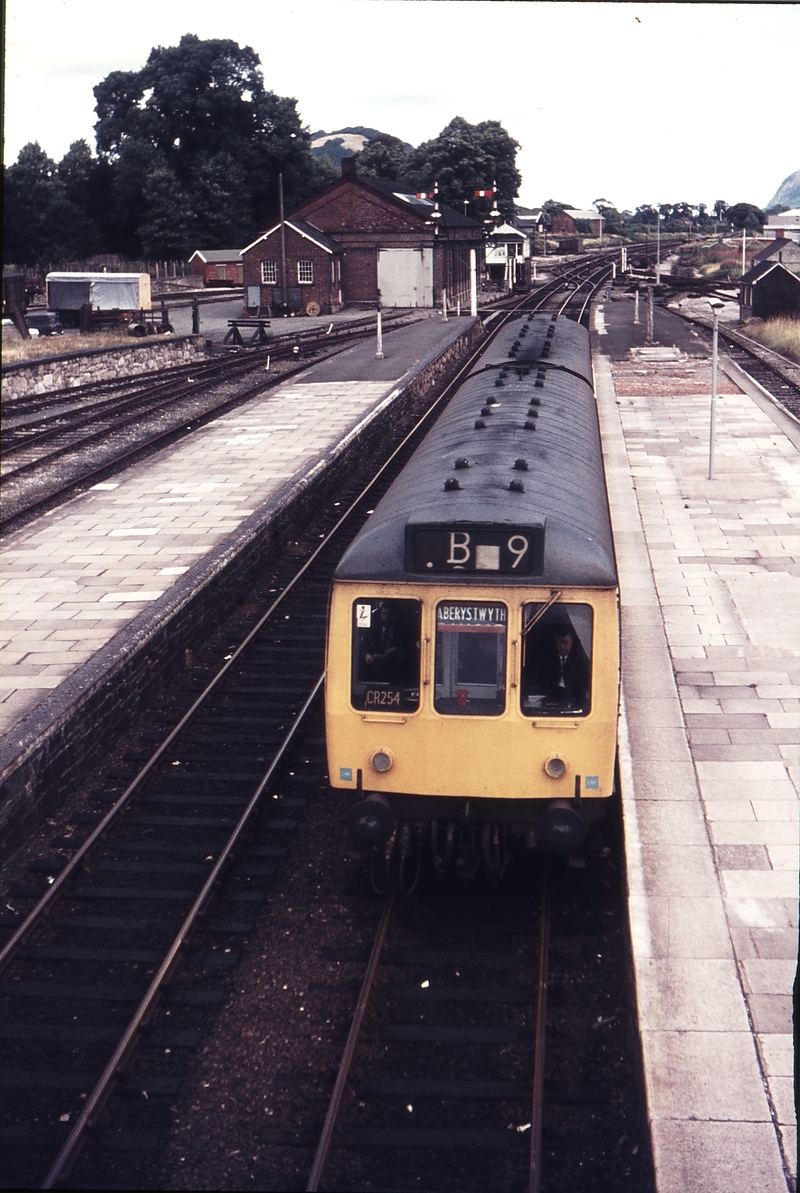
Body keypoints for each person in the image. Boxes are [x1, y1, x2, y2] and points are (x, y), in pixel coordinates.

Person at [536, 622, 590, 711]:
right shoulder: (548, 660)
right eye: (558, 643)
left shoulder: (580, 661)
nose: (562, 646)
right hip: (554, 697)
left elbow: (584, 681)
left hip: (576, 696)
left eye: (565, 642)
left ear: (571, 642)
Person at [363, 603, 401, 681]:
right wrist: (367, 655)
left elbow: (405, 647)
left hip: (395, 664)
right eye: (384, 614)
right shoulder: (372, 630)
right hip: (375, 663)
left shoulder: (400, 631)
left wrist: (396, 650)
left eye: (389, 614)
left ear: (394, 616)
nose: (386, 617)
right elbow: (363, 647)